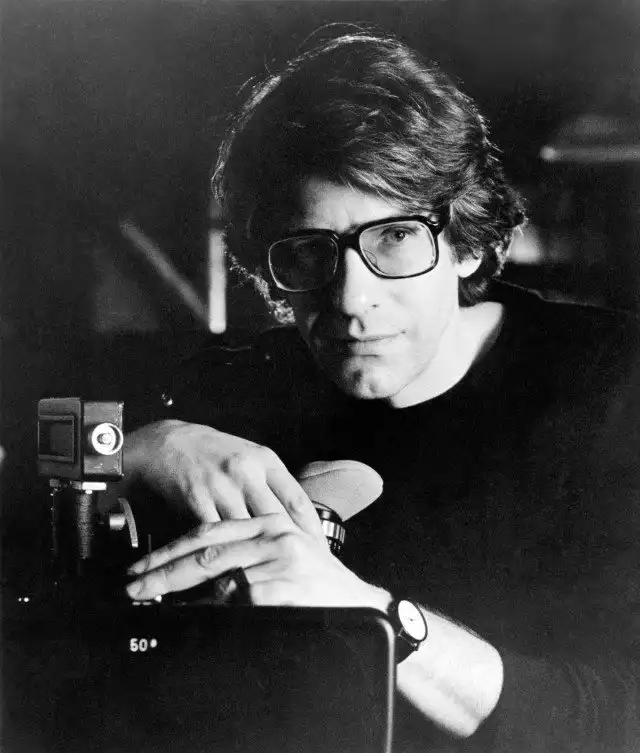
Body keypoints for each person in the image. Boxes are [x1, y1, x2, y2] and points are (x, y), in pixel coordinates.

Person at [122, 32, 640, 751]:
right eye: (308, 251)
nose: (350, 299)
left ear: (467, 244)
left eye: (394, 237)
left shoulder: (617, 386)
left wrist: (376, 616)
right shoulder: (239, 385)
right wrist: (142, 446)